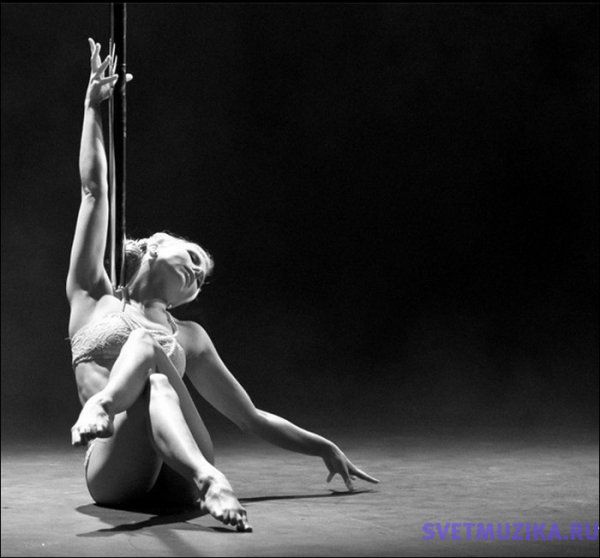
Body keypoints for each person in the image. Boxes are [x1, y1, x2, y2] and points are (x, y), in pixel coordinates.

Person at [67, 38, 379, 533]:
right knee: (150, 365)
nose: (197, 274)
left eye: (201, 280)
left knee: (154, 366)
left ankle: (205, 476)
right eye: (193, 259)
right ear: (156, 244)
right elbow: (93, 191)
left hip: (178, 473)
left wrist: (322, 446)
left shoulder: (190, 335)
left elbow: (250, 417)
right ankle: (116, 415)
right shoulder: (92, 295)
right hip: (115, 468)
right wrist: (92, 107)